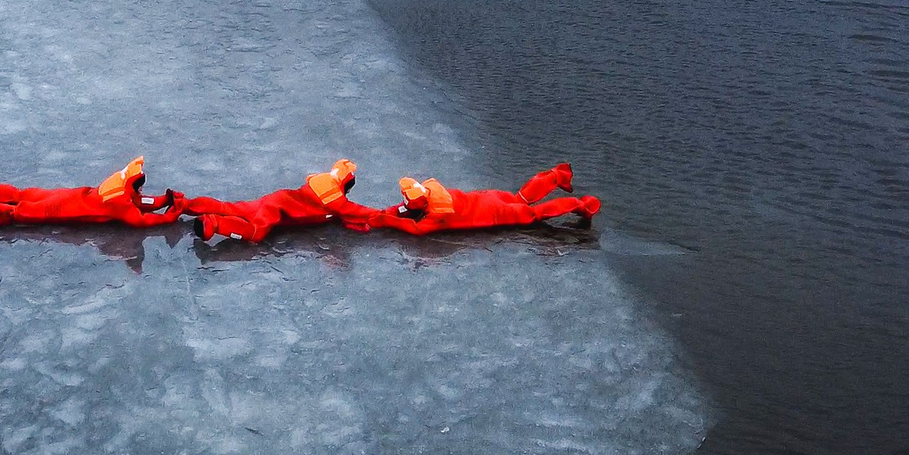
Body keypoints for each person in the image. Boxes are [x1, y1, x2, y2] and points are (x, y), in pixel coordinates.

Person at [183, 159, 387, 244]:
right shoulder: (333, 198)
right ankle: (213, 223)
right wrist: (387, 215)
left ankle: (185, 204)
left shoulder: (322, 182)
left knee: (232, 207)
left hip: (276, 199)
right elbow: (353, 210)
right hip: (277, 210)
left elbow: (340, 214)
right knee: (256, 232)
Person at [368, 163, 600, 235]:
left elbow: (415, 227)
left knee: (533, 214)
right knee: (520, 197)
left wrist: (382, 219)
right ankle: (557, 175)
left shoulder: (438, 215)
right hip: (488, 197)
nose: (405, 203)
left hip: (494, 214)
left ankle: (581, 205)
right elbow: (405, 208)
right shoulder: (431, 189)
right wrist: (385, 212)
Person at [0, 156, 185, 227]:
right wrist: (170, 216)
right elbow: (141, 220)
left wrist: (164, 200)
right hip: (64, 209)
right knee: (20, 211)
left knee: (23, 195)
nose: (141, 190)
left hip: (70, 195)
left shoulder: (120, 183)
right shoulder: (121, 204)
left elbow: (138, 201)